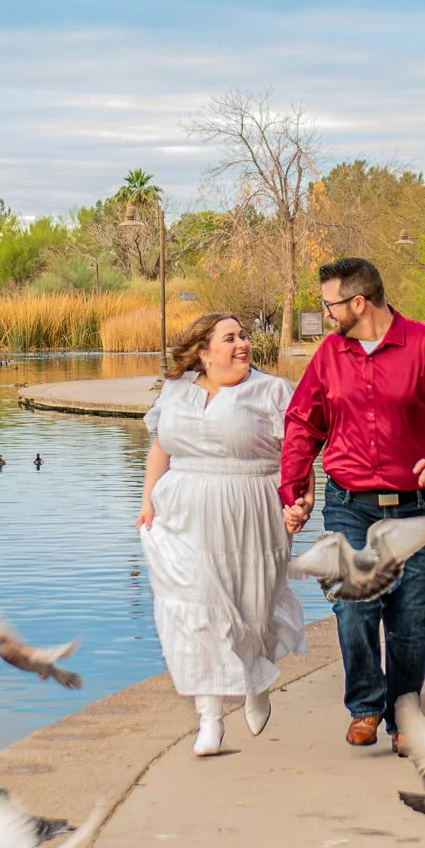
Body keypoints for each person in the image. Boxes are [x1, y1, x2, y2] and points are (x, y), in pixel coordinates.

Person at [280, 256, 425, 751]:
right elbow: (303, 422)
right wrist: (294, 488)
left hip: (423, 507)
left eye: (330, 304)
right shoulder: (330, 356)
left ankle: (404, 717)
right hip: (351, 503)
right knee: (354, 607)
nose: (326, 314)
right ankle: (366, 706)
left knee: (408, 622)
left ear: (358, 303)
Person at [137, 313, 307, 757]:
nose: (242, 344)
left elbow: (297, 454)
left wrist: (298, 501)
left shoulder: (272, 391)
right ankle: (209, 717)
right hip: (184, 514)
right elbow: (161, 447)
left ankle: (257, 679)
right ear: (204, 352)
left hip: (254, 507)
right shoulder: (176, 391)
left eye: (243, 336)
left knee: (253, 607)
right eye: (230, 338)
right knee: (195, 609)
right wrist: (147, 500)